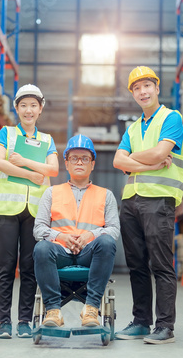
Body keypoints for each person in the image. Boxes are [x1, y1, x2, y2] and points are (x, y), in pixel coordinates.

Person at [113, 66, 183, 344]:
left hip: (159, 199)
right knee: (137, 266)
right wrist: (151, 163)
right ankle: (141, 322)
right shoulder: (132, 128)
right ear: (132, 94)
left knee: (160, 265)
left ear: (157, 88)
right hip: (130, 202)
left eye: (147, 86)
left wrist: (136, 160)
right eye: (137, 88)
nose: (143, 92)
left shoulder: (172, 118)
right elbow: (117, 161)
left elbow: (160, 152)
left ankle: (165, 326)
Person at [0, 84, 59, 339]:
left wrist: (24, 162)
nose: (28, 110)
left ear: (40, 109)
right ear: (17, 108)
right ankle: (4, 322)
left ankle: (24, 321)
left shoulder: (47, 140)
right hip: (6, 210)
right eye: (23, 105)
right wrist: (32, 173)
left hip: (35, 212)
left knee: (30, 266)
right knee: (6, 265)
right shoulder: (6, 134)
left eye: (33, 105)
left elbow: (52, 170)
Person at [33, 135, 119, 327]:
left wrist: (92, 235)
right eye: (74, 158)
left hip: (89, 253)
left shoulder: (106, 195)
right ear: (67, 163)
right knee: (41, 248)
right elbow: (38, 229)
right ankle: (53, 311)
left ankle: (91, 309)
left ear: (92, 164)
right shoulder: (51, 192)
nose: (79, 162)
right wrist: (60, 236)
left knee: (107, 242)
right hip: (59, 252)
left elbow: (114, 230)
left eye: (85, 158)